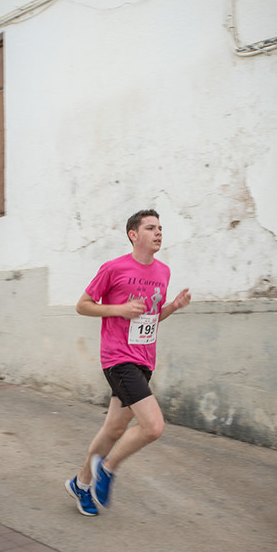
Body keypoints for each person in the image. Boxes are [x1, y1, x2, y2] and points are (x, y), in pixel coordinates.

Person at [65, 209, 191, 516]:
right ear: (134, 235)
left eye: (160, 227)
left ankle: (80, 484)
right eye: (151, 228)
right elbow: (82, 306)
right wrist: (118, 309)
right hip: (118, 359)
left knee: (113, 429)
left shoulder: (164, 272)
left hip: (144, 360)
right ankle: (106, 469)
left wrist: (173, 306)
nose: (159, 232)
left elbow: (151, 318)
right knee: (153, 426)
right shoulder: (114, 268)